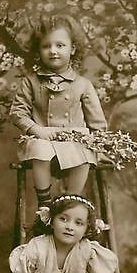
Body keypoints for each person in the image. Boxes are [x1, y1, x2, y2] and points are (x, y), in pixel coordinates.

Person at [10, 15, 108, 207]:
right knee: (40, 148)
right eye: (46, 46)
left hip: (73, 142)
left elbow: (97, 123)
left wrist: (101, 146)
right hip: (43, 140)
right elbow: (17, 112)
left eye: (60, 45)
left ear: (73, 49)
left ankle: (68, 204)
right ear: (39, 50)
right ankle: (45, 207)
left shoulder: (83, 84)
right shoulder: (31, 82)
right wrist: (37, 130)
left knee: (85, 151)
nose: (53, 51)